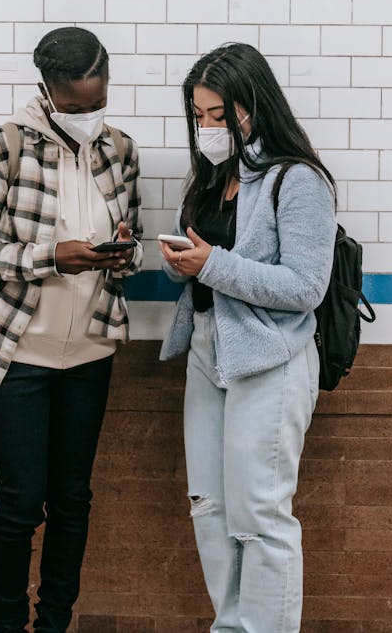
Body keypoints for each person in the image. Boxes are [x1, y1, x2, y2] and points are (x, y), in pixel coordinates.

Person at [0, 26, 143, 633]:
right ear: (47, 90)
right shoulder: (1, 148)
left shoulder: (120, 150)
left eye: (98, 103)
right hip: (15, 354)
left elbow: (128, 246)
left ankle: (54, 622)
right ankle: (7, 625)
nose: (91, 115)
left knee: (72, 500)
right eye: (77, 106)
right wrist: (51, 257)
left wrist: (123, 254)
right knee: (19, 502)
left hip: (89, 351)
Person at [159, 42, 337, 633]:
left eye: (219, 114)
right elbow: (212, 262)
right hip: (209, 352)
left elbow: (306, 286)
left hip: (271, 359)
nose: (208, 127)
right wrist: (181, 260)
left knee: (260, 513)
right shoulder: (215, 177)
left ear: (254, 105)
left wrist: (210, 265)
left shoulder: (299, 180)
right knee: (210, 508)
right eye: (199, 115)